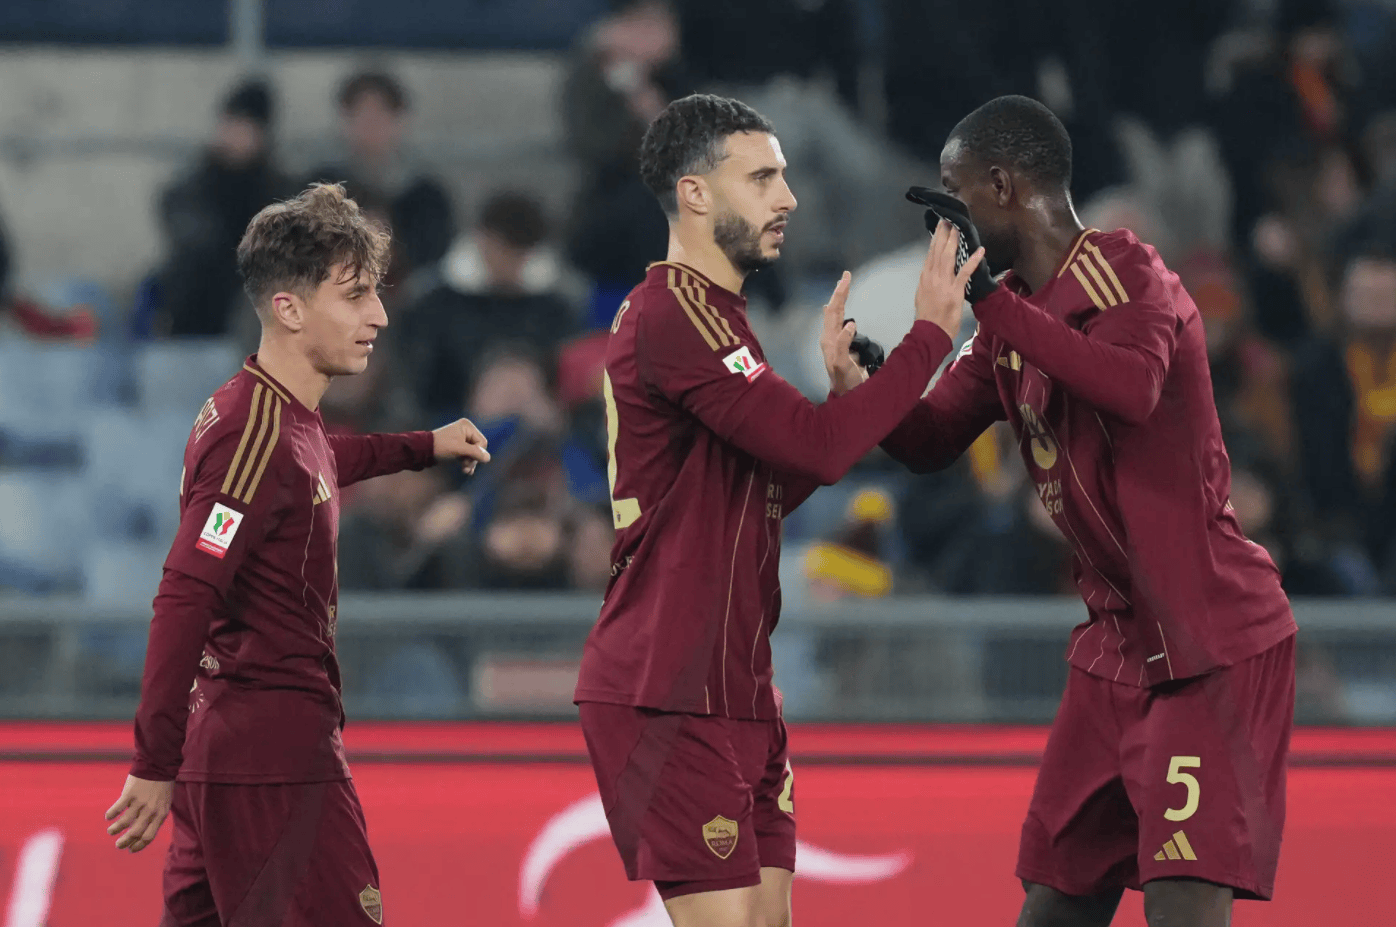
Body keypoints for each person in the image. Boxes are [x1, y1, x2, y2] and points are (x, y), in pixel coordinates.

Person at [839, 96, 1297, 927]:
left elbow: (1132, 386)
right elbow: (933, 439)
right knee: (1054, 908)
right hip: (1114, 647)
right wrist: (875, 382)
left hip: (1207, 639)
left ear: (1004, 186)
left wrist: (990, 301)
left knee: (1183, 910)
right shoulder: (1008, 315)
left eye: (956, 193)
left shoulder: (1125, 269)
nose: (946, 224)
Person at [573, 92, 977, 927]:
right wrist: (930, 336)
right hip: (670, 684)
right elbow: (818, 450)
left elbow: (770, 485)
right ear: (694, 194)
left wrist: (843, 402)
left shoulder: (716, 318)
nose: (788, 197)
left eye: (783, 176)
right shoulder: (677, 313)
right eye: (761, 178)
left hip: (736, 683)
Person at [103, 184, 491, 926]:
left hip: (236, 750)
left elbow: (315, 464)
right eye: (355, 296)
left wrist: (422, 446)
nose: (379, 316)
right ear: (288, 308)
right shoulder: (252, 436)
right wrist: (152, 761)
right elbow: (185, 592)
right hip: (271, 759)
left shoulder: (278, 417)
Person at [154, 79, 290, 337]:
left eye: (246, 127)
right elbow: (197, 243)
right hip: (193, 319)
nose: (235, 135)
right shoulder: (190, 191)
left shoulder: (278, 194)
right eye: (231, 124)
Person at [308, 71, 456, 285]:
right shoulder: (320, 185)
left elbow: (435, 263)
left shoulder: (426, 195)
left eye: (380, 114)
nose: (370, 125)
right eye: (360, 114)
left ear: (400, 119)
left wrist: (394, 247)